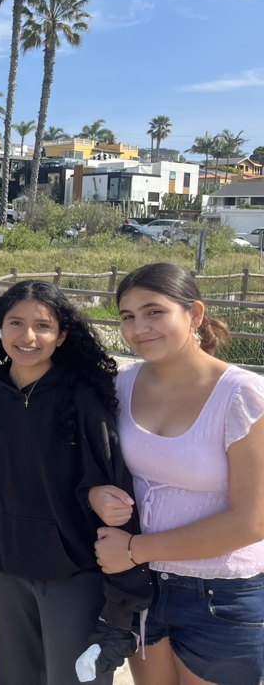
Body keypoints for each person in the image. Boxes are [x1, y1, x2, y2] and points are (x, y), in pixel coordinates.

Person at [0, 280, 151, 685]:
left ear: (61, 335)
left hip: (75, 575)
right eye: (16, 323)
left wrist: (120, 608)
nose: (28, 336)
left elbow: (115, 494)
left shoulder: (83, 398)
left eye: (43, 326)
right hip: (6, 571)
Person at [89, 262, 264, 685]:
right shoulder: (120, 387)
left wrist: (136, 549)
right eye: (127, 316)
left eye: (154, 312)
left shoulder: (241, 395)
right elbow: (100, 466)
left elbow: (252, 520)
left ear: (195, 315)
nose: (138, 327)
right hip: (143, 589)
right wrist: (97, 493)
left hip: (220, 594)